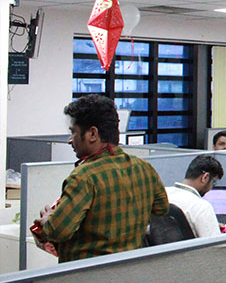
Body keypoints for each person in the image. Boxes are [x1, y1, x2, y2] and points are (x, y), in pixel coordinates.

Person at [34, 94, 169, 263]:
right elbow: (161, 208)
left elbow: (57, 231)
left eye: (73, 132)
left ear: (92, 134)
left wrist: (48, 221)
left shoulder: (84, 177)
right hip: (131, 269)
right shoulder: (144, 168)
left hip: (89, 273)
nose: (70, 140)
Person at [166, 154, 223, 238]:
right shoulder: (201, 206)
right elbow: (215, 244)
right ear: (205, 177)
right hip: (190, 247)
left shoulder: (162, 194)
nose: (211, 187)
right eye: (213, 182)